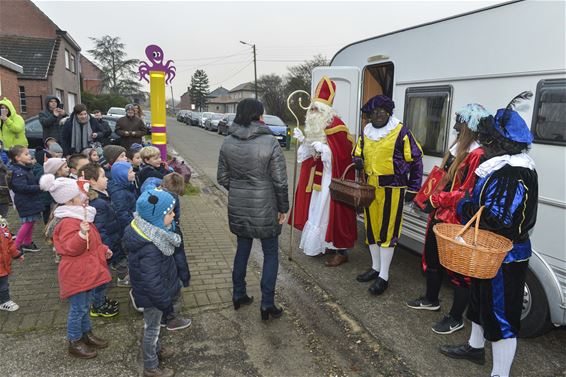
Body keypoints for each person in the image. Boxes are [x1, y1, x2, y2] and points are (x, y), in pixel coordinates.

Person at [440, 94, 538, 377]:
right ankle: (474, 348)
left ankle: (500, 373)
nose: (483, 144)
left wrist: (463, 205)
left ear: (499, 143)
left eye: (487, 140)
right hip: (487, 251)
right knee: (481, 303)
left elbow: (497, 218)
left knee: (502, 316)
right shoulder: (502, 167)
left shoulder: (512, 174)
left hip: (505, 256)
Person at [406, 103, 490, 334]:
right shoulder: (458, 149)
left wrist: (437, 199)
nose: (454, 126)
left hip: (457, 220)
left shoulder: (478, 155)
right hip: (439, 216)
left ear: (469, 127)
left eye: (459, 122)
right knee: (432, 259)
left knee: (459, 271)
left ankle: (456, 317)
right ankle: (431, 299)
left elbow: (468, 193)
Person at [217, 98, 289, 320]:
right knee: (270, 254)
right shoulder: (270, 142)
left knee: (242, 249)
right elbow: (280, 181)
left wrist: (239, 189)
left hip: (239, 205)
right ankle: (267, 303)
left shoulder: (228, 141)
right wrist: (283, 207)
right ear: (259, 115)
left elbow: (222, 177)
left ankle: (239, 294)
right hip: (266, 207)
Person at [354, 95, 423, 295]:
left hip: (392, 189)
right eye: (373, 113)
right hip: (370, 188)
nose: (377, 116)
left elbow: (417, 159)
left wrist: (413, 188)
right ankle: (375, 268)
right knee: (372, 229)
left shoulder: (400, 131)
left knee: (387, 231)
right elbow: (357, 151)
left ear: (388, 112)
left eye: (381, 112)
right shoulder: (366, 132)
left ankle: (384, 276)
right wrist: (358, 159)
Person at [40, 174, 112, 359]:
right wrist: (81, 234)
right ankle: (74, 340)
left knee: (85, 305)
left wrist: (103, 250)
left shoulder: (80, 215)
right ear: (71, 199)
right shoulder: (68, 222)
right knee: (78, 308)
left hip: (85, 271)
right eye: (82, 194)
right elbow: (70, 248)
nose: (86, 197)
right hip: (76, 274)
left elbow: (93, 243)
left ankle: (86, 333)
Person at [290, 76, 357, 266]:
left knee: (333, 213)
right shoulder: (315, 125)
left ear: (326, 110)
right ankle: (323, 245)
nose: (312, 112)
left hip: (331, 178)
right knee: (317, 211)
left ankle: (340, 251)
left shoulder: (336, 125)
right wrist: (304, 141)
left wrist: (326, 149)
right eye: (311, 108)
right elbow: (310, 154)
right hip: (317, 177)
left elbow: (343, 156)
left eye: (316, 109)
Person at [124, 188, 186, 377]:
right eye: (169, 212)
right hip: (154, 297)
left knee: (155, 326)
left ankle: (156, 350)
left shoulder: (150, 231)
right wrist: (165, 302)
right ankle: (150, 366)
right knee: (151, 329)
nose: (173, 214)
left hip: (155, 294)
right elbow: (152, 281)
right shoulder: (151, 246)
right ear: (156, 217)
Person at [78, 163, 121, 318]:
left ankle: (100, 300)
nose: (106, 178)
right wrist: (106, 249)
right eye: (103, 176)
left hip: (105, 247)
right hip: (104, 250)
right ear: (92, 181)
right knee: (101, 279)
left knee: (102, 278)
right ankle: (98, 306)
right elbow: (100, 230)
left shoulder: (101, 197)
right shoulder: (99, 204)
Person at [160, 172, 191, 330]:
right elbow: (180, 258)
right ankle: (171, 318)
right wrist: (184, 278)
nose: (173, 215)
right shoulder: (170, 232)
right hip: (170, 277)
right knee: (173, 289)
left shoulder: (158, 194)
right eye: (170, 213)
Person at [7, 146, 43, 253]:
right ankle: (16, 246)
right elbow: (21, 187)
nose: (30, 156)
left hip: (29, 200)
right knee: (27, 223)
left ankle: (27, 243)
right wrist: (39, 187)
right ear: (18, 158)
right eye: (26, 154)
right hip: (25, 201)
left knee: (31, 222)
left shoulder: (24, 169)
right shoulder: (18, 171)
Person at [107, 161, 136, 287]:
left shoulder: (126, 186)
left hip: (127, 225)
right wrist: (132, 226)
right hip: (123, 229)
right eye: (130, 171)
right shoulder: (119, 193)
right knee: (123, 253)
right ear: (122, 175)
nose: (133, 173)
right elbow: (122, 213)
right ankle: (123, 278)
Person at [0, 215, 24, 311]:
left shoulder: (3, 227)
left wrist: (17, 254)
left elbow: (10, 244)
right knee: (3, 285)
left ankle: (4, 301)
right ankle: (4, 301)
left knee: (3, 284)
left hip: (3, 264)